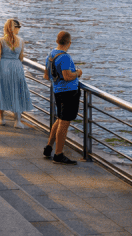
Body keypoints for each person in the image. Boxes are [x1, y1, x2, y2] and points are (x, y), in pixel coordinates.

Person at [43, 31, 82, 166]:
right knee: (64, 123)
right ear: (69, 43)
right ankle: (58, 154)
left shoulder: (51, 55)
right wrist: (78, 73)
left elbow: (46, 76)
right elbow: (67, 76)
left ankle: (49, 147)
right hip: (68, 94)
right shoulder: (65, 57)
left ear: (57, 41)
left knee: (60, 120)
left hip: (57, 91)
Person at [0, 19, 32, 128]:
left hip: (4, 67)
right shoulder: (21, 41)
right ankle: (17, 121)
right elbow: (21, 57)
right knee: (17, 91)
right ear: (14, 28)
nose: (19, 29)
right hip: (16, 67)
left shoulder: (0, 40)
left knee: (2, 91)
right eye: (18, 27)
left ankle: (2, 119)